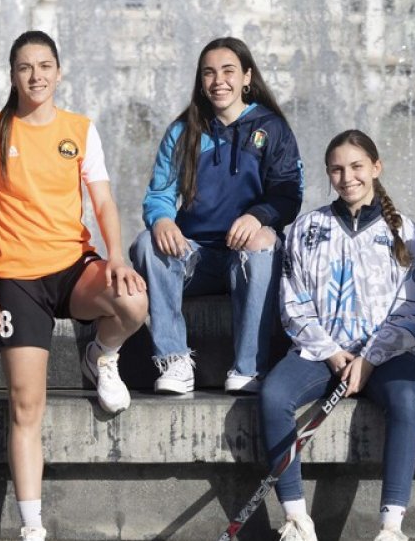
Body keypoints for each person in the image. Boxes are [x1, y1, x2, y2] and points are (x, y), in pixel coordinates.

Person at [0, 30, 148, 541]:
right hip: (17, 279)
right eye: (26, 67)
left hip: (72, 266)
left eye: (45, 66)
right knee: (26, 404)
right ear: (13, 74)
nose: (36, 76)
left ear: (59, 71)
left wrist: (115, 257)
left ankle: (102, 355)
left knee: (133, 299)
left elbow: (104, 201)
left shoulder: (80, 129)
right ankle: (32, 527)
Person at [258, 129, 415, 541]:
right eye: (337, 169)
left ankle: (392, 526)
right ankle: (297, 519)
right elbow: (293, 303)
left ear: (376, 167)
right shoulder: (305, 229)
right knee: (274, 396)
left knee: (406, 400)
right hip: (322, 354)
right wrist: (333, 355)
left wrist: (371, 358)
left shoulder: (406, 232)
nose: (347, 177)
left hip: (386, 357)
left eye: (356, 166)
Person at [130, 37, 303, 395]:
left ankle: (249, 368)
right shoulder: (184, 131)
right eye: (208, 73)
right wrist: (162, 219)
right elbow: (160, 193)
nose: (218, 80)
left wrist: (257, 216)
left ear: (246, 77)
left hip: (246, 257)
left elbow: (288, 194)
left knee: (265, 241)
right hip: (196, 260)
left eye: (228, 71)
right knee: (147, 242)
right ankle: (174, 360)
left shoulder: (272, 129)